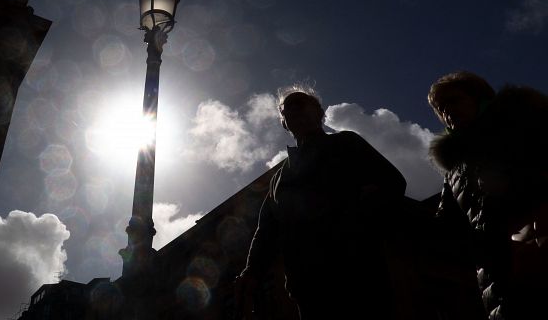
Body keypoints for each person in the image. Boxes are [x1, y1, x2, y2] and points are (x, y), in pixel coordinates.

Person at [235, 87, 406, 319]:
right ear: (284, 123)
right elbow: (266, 230)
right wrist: (251, 272)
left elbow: (392, 182)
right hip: (308, 286)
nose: (297, 111)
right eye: (289, 110)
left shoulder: (346, 143)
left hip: (358, 272)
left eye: (303, 104)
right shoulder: (280, 178)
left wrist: (356, 221)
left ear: (320, 113)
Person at [428, 71, 548, 319]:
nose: (447, 112)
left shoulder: (524, 122)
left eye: (454, 100)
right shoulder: (454, 169)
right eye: (440, 109)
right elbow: (446, 225)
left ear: (478, 97)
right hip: (498, 276)